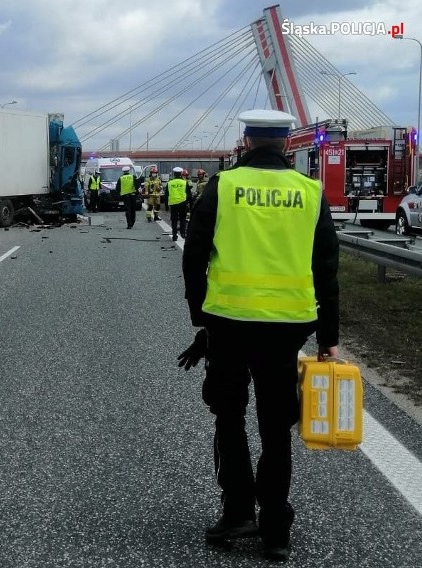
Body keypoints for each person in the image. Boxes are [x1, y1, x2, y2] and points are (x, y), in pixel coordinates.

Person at [181, 109, 340, 562]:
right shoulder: (310, 192)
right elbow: (325, 266)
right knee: (275, 427)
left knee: (228, 417)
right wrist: (328, 335)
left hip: (228, 324)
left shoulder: (224, 186)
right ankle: (274, 529)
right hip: (287, 328)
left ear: (247, 141)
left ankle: (236, 513)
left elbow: (194, 255)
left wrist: (201, 318)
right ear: (287, 145)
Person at [167, 167, 191, 241]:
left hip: (173, 204)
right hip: (183, 203)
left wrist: (166, 206)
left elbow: (166, 195)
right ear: (181, 174)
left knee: (174, 220)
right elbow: (189, 194)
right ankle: (183, 233)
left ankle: (174, 235)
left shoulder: (169, 183)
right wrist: (190, 204)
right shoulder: (184, 182)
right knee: (182, 219)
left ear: (174, 174)